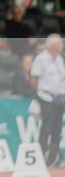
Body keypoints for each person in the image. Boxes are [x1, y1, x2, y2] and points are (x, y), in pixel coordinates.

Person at [29, 33, 65, 168]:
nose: (62, 45)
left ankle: (54, 157)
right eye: (60, 43)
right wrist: (38, 96)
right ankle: (40, 156)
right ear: (53, 45)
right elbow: (34, 79)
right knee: (46, 127)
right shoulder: (41, 59)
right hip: (46, 98)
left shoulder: (60, 59)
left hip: (60, 99)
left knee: (57, 129)